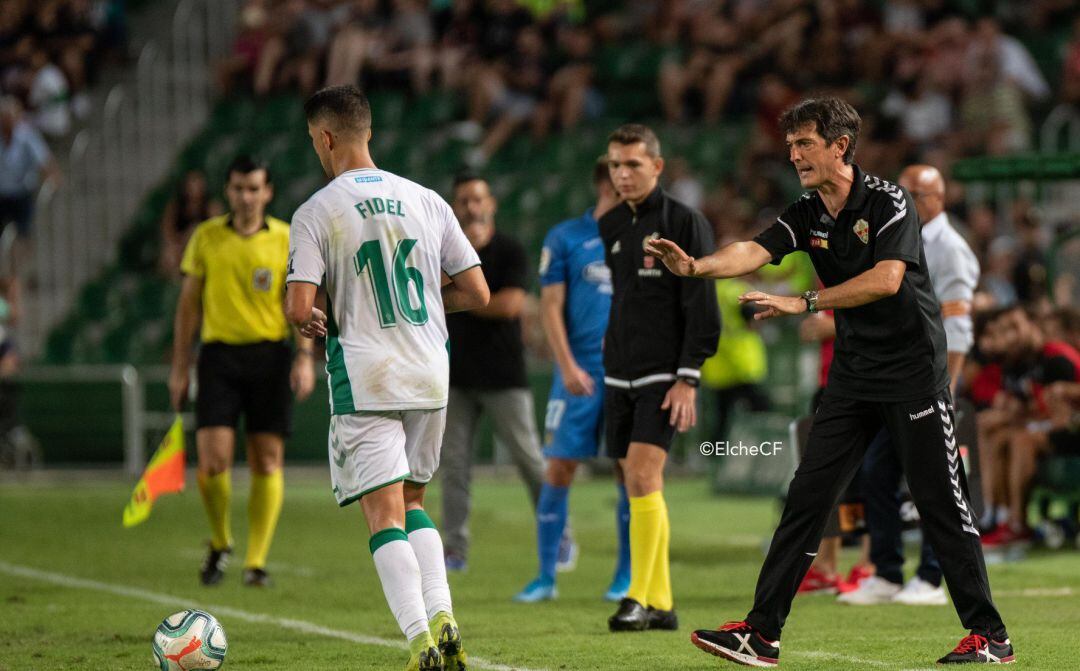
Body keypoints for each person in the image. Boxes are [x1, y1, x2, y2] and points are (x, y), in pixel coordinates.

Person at [648, 98, 1013, 666]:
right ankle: (760, 633)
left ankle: (990, 635)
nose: (793, 155)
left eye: (804, 145)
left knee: (942, 503)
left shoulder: (889, 201)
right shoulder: (806, 210)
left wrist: (805, 301)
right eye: (790, 146)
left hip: (913, 374)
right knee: (807, 498)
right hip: (854, 376)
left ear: (840, 146)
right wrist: (697, 266)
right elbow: (756, 249)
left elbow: (888, 279)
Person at [284, 85, 489, 671]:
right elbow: (477, 291)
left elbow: (301, 308)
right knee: (416, 498)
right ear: (367, 132)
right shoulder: (426, 200)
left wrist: (307, 318)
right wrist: (424, 299)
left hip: (368, 374)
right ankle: (444, 614)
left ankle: (419, 640)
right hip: (430, 368)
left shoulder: (317, 211)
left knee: (384, 514)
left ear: (325, 138)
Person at [169, 155, 317, 588]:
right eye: (238, 188)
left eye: (254, 188)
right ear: (228, 191)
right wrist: (180, 367)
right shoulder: (206, 237)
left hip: (270, 356)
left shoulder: (288, 238)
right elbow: (187, 307)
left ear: (268, 192)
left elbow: (302, 302)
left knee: (267, 461)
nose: (246, 197)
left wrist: (304, 357)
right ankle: (220, 541)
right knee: (213, 462)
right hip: (218, 358)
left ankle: (256, 562)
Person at [839, 164, 980, 606]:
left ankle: (933, 577)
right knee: (878, 470)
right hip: (897, 378)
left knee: (936, 482)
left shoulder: (949, 248)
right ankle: (887, 570)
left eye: (913, 194)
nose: (900, 201)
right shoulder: (904, 233)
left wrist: (949, 385)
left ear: (937, 198)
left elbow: (958, 323)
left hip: (930, 381)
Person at [602, 124, 721, 633]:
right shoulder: (610, 225)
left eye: (632, 164)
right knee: (634, 481)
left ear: (657, 166)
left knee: (644, 476)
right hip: (618, 374)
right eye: (614, 165)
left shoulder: (685, 222)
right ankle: (663, 601)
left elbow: (702, 303)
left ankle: (638, 597)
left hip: (662, 375)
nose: (622, 174)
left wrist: (688, 377)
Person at [514, 156, 629, 603]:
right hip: (577, 371)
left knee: (627, 470)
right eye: (619, 182)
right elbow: (549, 306)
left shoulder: (640, 239)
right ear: (603, 183)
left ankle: (624, 577)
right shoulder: (565, 237)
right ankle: (545, 576)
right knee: (559, 466)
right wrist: (566, 366)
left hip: (625, 374)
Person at [440, 172, 562, 572]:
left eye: (478, 199)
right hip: (455, 376)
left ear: (491, 204)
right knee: (454, 467)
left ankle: (558, 536)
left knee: (530, 461)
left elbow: (510, 305)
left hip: (504, 374)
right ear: (454, 207)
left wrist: (459, 296)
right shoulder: (445, 248)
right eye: (463, 200)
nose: (471, 207)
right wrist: (465, 292)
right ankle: (454, 548)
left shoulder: (509, 250)